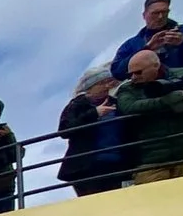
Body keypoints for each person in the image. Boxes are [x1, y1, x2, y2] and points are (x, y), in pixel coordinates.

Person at [114, 49, 183, 184]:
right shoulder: (128, 88)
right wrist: (166, 101)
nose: (133, 77)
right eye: (130, 74)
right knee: (156, 204)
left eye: (138, 72)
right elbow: (128, 107)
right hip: (151, 163)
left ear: (156, 66)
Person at [56, 67, 133, 195]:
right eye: (102, 83)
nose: (107, 86)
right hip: (87, 167)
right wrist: (94, 113)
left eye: (109, 82)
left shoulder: (117, 103)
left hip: (118, 164)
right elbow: (64, 130)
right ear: (90, 87)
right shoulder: (77, 105)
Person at [107, 0, 183, 83]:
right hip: (147, 96)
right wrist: (146, 49)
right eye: (155, 13)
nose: (160, 17)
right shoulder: (131, 44)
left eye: (164, 12)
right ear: (144, 15)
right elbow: (117, 73)